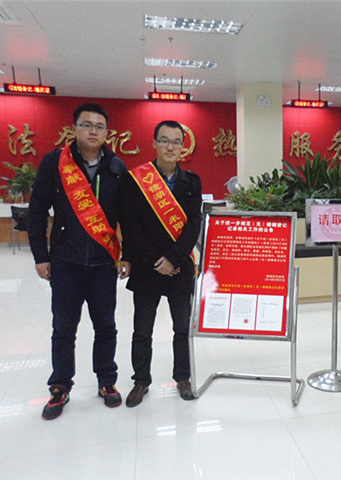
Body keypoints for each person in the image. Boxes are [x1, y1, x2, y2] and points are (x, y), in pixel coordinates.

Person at [28, 103, 129, 420]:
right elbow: (37, 210)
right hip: (65, 262)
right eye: (87, 124)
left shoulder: (117, 168)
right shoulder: (54, 163)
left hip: (103, 264)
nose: (93, 131)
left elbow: (127, 217)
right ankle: (60, 386)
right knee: (63, 329)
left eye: (99, 126)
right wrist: (41, 256)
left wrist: (126, 255)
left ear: (107, 132)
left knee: (106, 327)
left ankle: (107, 381)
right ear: (74, 128)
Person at [120, 120, 202, 407]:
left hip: (180, 268)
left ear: (183, 147)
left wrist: (174, 258)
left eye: (177, 142)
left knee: (182, 328)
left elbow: (193, 225)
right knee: (143, 330)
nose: (170, 146)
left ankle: (183, 377)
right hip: (147, 267)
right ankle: (141, 381)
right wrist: (157, 260)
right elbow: (131, 226)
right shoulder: (136, 180)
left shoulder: (192, 182)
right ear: (154, 143)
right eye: (164, 140)